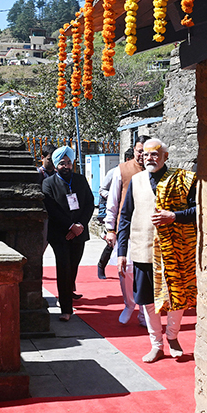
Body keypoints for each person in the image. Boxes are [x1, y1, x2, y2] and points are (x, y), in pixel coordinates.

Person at [117, 138, 197, 363]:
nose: (149, 158)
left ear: (165, 157)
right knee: (148, 300)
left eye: (155, 154)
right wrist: (122, 252)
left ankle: (172, 336)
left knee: (176, 297)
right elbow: (125, 217)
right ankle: (156, 344)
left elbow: (199, 210)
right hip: (144, 250)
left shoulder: (183, 180)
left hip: (175, 250)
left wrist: (174, 216)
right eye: (146, 154)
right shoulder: (136, 181)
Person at [42, 145, 94, 322]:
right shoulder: (48, 183)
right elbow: (52, 209)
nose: (66, 166)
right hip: (60, 234)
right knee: (63, 268)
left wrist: (79, 225)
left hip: (79, 232)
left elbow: (89, 203)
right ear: (56, 165)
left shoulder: (80, 180)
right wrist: (70, 226)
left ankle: (67, 295)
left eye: (69, 163)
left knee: (72, 267)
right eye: (62, 163)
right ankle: (66, 308)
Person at [105, 137, 149, 325]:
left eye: (146, 152)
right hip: (127, 229)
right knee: (126, 270)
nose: (142, 156)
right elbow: (113, 201)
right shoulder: (121, 170)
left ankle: (144, 311)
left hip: (149, 230)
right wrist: (109, 228)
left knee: (147, 273)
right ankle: (129, 304)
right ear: (134, 150)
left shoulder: (155, 171)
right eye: (140, 151)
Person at [95, 148, 134, 280]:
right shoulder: (115, 172)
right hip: (118, 211)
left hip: (133, 212)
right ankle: (101, 265)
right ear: (129, 159)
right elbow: (102, 190)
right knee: (113, 242)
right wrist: (115, 197)